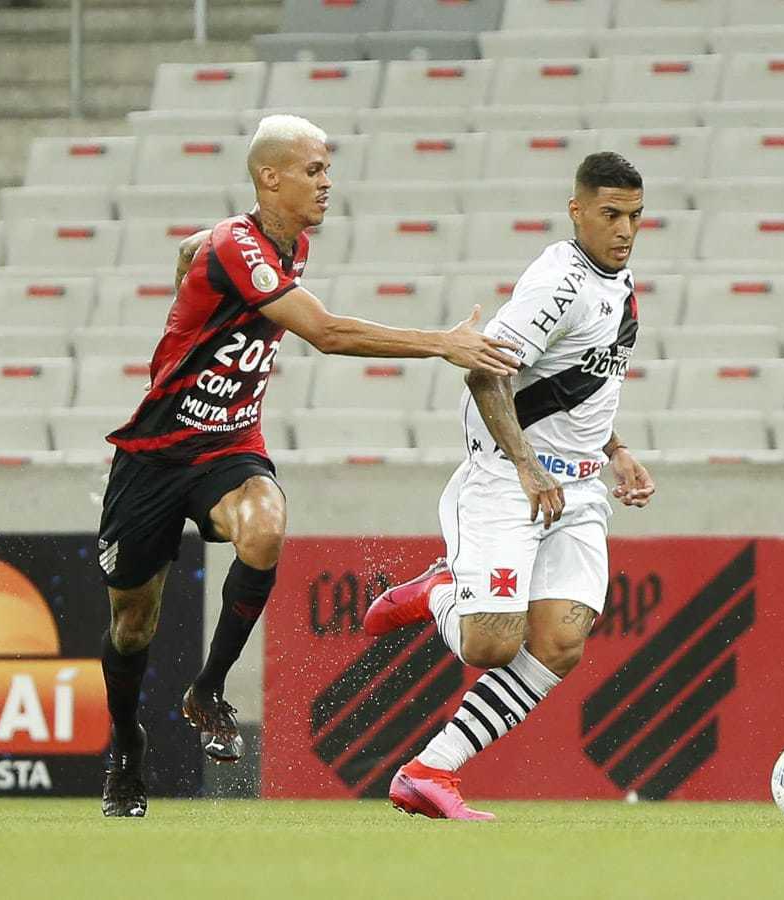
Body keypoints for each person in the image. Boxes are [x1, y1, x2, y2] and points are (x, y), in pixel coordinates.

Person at [96, 114, 519, 817]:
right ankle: (125, 746)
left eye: (328, 169)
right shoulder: (240, 245)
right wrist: (441, 343)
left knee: (265, 526)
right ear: (271, 177)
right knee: (132, 626)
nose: (327, 182)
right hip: (155, 455)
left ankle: (208, 690)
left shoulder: (285, 244)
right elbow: (324, 332)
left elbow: (189, 249)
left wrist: (187, 286)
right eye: (314, 170)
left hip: (229, 445)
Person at [363, 152, 657, 820]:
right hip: (509, 478)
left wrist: (616, 450)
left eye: (635, 216)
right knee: (490, 645)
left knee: (561, 643)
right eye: (611, 214)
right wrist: (526, 465)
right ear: (577, 210)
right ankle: (440, 590)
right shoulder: (558, 284)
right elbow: (484, 373)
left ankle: (429, 769)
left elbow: (579, 383)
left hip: (579, 488)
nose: (624, 229)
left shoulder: (619, 281)